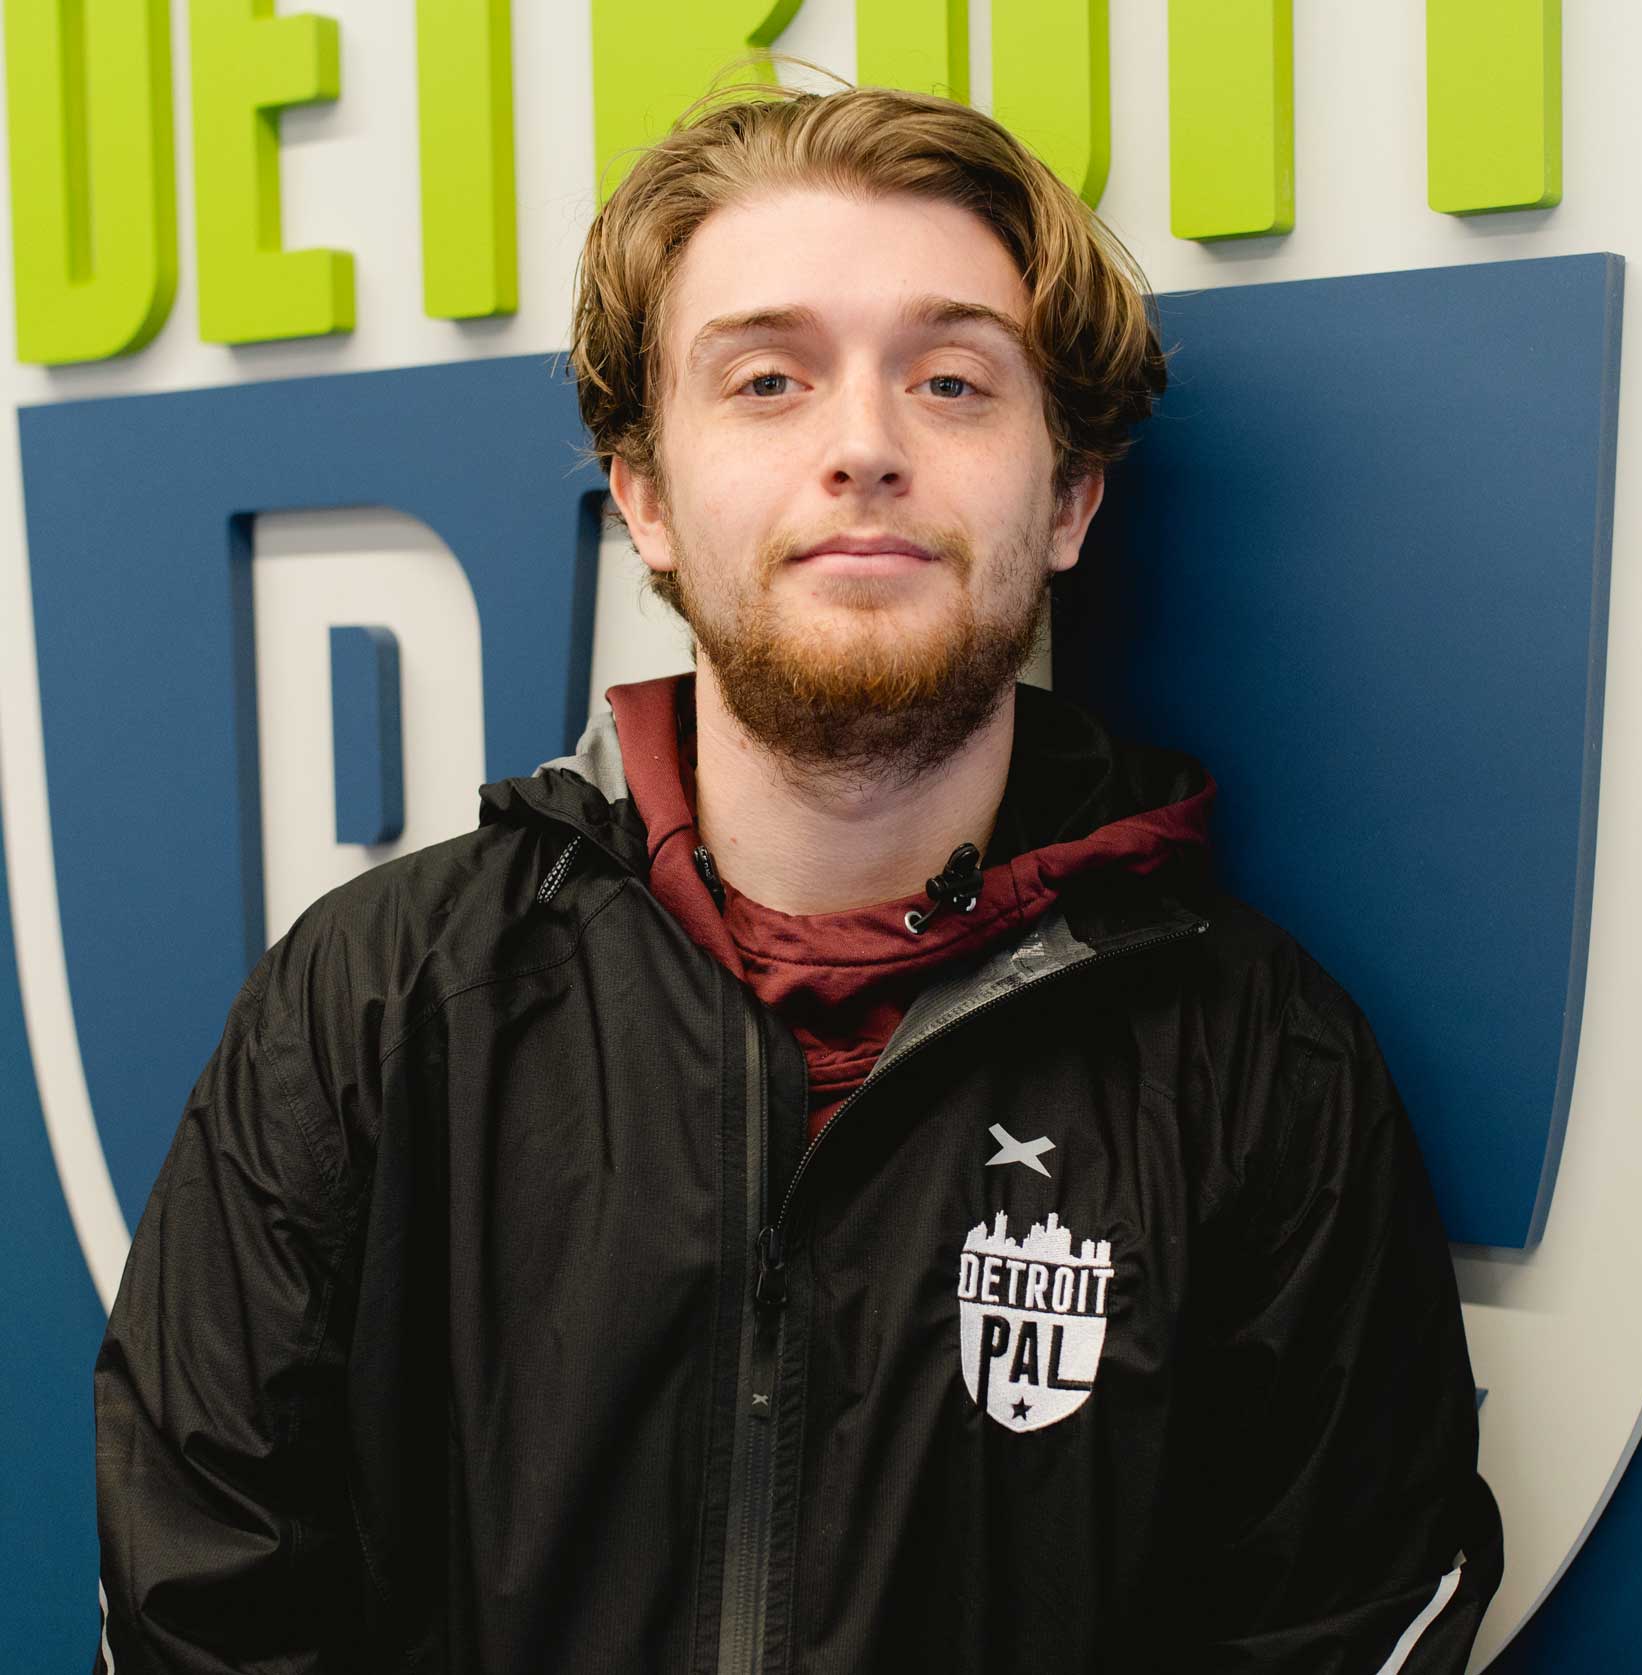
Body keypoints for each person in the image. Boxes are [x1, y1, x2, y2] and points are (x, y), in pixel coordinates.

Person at [94, 74, 1501, 1674]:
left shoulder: (1264, 1068)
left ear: (1068, 498)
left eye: (952, 382)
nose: (863, 447)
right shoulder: (373, 1008)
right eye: (768, 379)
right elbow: (201, 1609)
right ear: (646, 499)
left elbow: (1351, 1621)